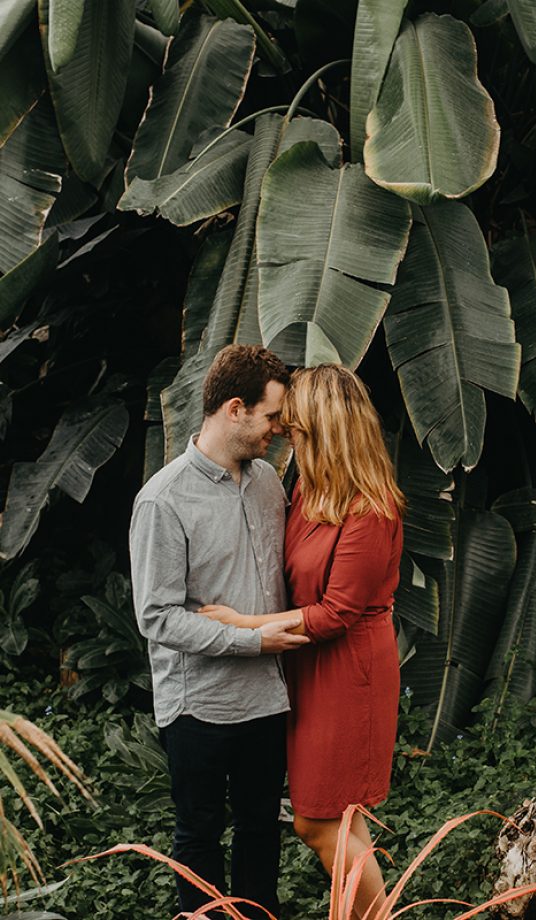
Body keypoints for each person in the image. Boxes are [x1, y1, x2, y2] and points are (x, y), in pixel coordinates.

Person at [198, 364, 404, 919]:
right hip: (310, 670)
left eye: (298, 431)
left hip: (349, 671)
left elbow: (338, 613)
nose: (287, 438)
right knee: (344, 819)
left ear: (326, 431)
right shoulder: (311, 490)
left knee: (317, 821)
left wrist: (240, 624)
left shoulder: (370, 508)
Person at [129, 345, 310, 920]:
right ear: (235, 409)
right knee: (200, 835)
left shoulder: (268, 483)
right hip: (198, 706)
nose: (280, 431)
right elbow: (157, 616)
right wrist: (252, 640)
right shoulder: (163, 499)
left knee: (261, 828)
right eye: (272, 417)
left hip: (265, 699)